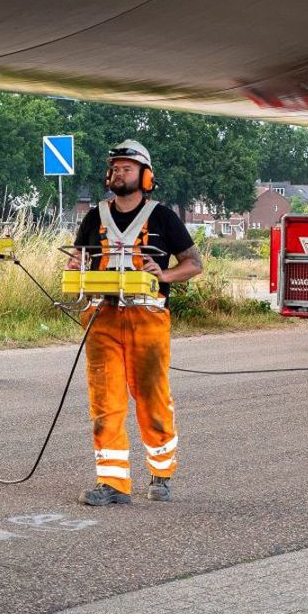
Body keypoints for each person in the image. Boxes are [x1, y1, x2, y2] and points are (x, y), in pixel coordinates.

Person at [65, 140, 201, 505]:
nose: (119, 172)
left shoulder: (163, 217)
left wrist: (166, 275)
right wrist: (75, 267)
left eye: (127, 167)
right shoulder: (94, 216)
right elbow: (77, 257)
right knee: (105, 401)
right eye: (115, 167)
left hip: (148, 318)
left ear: (146, 176)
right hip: (101, 317)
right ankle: (113, 483)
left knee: (152, 398)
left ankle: (160, 474)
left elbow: (194, 263)